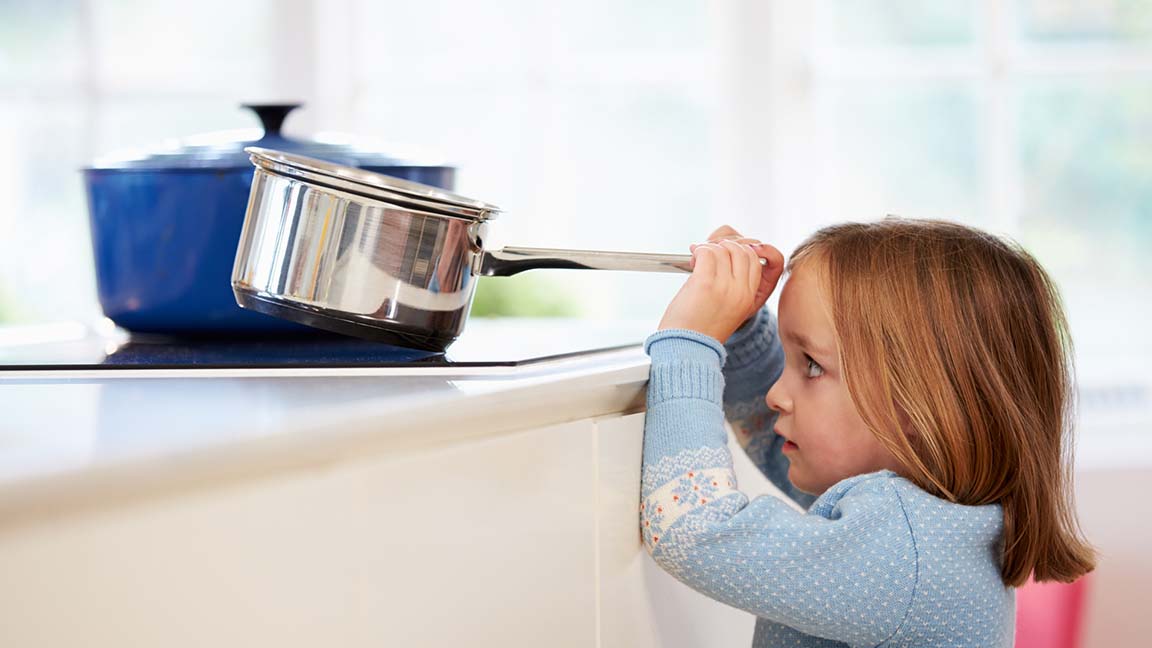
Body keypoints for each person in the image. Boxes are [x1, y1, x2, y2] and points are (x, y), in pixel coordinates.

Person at [640, 218, 1096, 647]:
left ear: (922, 406)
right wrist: (738, 331)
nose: (777, 394)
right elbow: (777, 437)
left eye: (812, 365)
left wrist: (687, 342)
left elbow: (692, 530)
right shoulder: (936, 522)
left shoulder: (902, 551)